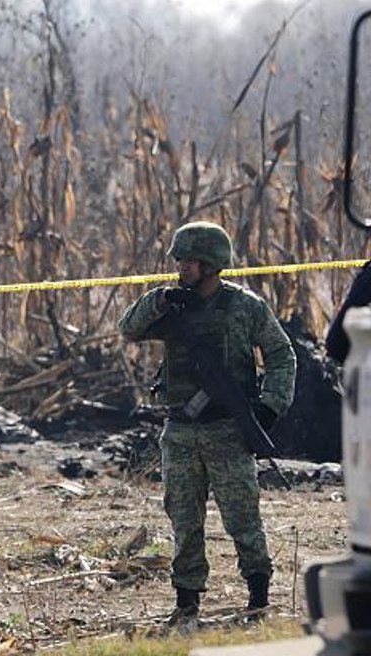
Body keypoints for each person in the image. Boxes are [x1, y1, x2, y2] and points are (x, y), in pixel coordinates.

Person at [117, 221, 296, 625]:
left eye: (190, 261)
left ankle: (258, 596)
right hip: (180, 430)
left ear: (212, 264)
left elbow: (281, 355)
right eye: (179, 260)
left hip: (227, 430)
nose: (181, 267)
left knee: (242, 517)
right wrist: (160, 300)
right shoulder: (172, 305)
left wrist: (270, 406)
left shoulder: (244, 306)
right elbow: (128, 329)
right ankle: (187, 601)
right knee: (183, 518)